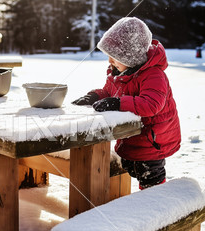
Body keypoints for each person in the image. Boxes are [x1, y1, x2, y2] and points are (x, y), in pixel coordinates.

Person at [72, 17, 181, 190]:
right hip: (131, 137)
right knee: (130, 167)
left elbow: (151, 104)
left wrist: (117, 103)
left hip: (152, 141)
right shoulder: (119, 72)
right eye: (109, 56)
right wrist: (94, 96)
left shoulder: (153, 75)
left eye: (114, 57)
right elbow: (109, 92)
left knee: (150, 180)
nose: (110, 62)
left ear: (131, 57)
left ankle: (155, 206)